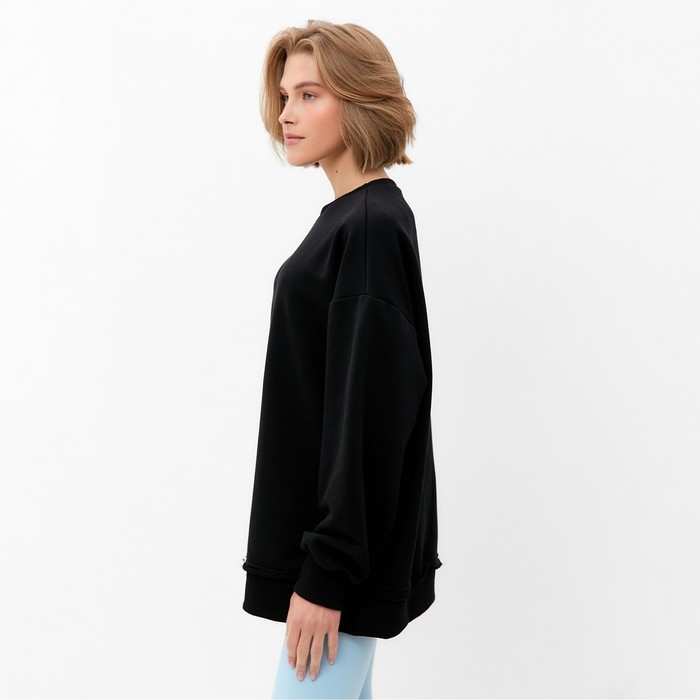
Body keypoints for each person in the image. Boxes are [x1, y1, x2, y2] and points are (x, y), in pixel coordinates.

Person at [242, 19, 441, 699]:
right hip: (337, 564)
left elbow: (371, 414)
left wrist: (327, 572)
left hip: (338, 574)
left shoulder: (370, 227)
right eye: (285, 96)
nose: (286, 114)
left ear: (357, 101)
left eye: (309, 94)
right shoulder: (353, 220)